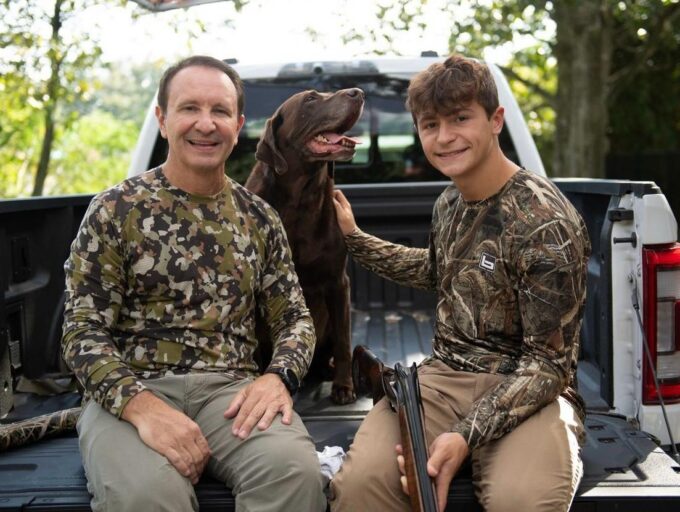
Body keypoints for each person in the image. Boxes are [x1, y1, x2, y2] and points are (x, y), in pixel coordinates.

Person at [62, 55, 326, 512]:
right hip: (130, 393)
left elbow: (296, 320)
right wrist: (141, 406)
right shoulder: (115, 210)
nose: (205, 124)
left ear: (238, 124)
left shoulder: (259, 217)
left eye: (220, 111)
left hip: (232, 393)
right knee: (146, 495)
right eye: (189, 109)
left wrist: (277, 377)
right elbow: (82, 332)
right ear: (162, 119)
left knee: (295, 475)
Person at [330, 54, 591, 512]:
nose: (444, 137)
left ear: (496, 120)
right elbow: (438, 270)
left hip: (528, 391)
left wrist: (463, 437)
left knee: (523, 501)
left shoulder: (545, 223)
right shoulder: (450, 202)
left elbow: (548, 367)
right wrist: (354, 238)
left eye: (460, 119)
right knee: (358, 490)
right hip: (442, 378)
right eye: (430, 124)